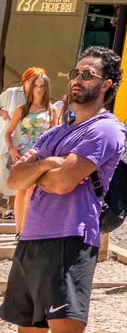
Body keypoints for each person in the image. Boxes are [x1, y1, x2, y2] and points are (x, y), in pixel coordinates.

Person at [0, 46, 127, 333]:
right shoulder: (58, 131)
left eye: (88, 74)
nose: (78, 79)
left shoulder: (107, 130)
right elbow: (14, 180)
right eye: (76, 72)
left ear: (105, 83)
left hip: (71, 239)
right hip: (32, 239)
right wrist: (43, 166)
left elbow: (62, 180)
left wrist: (43, 168)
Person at [5, 71, 59, 235]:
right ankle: (18, 230)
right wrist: (11, 149)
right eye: (36, 85)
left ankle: (26, 231)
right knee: (21, 191)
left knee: (31, 191)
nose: (39, 89)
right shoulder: (22, 109)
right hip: (23, 152)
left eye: (42, 86)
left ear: (47, 88)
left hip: (40, 153)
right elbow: (8, 132)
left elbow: (54, 135)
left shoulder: (51, 110)